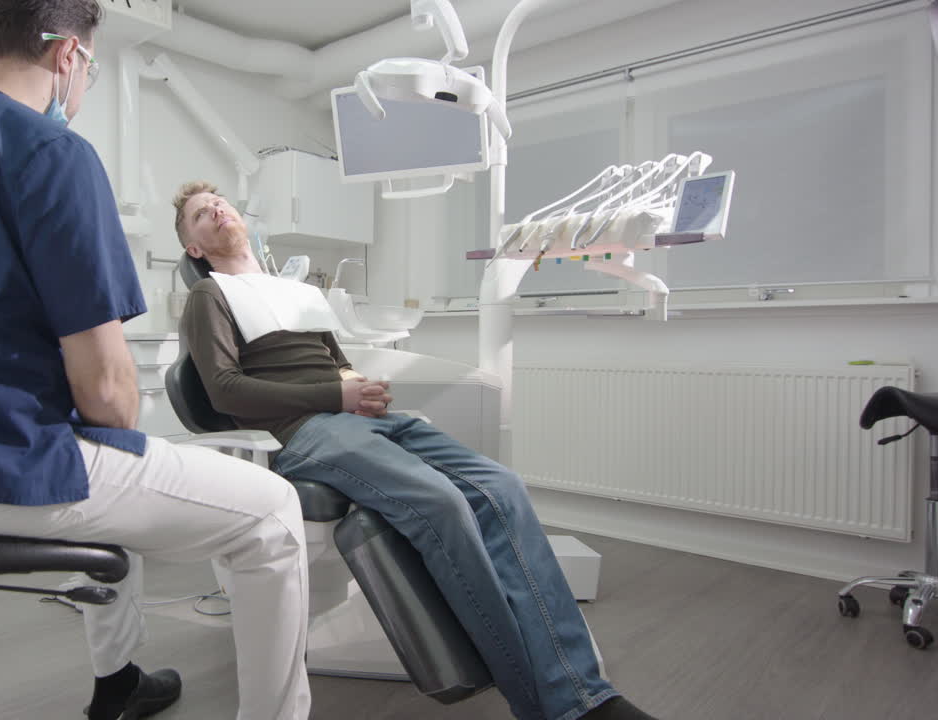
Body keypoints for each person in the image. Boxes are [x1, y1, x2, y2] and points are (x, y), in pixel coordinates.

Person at [0, 3, 312, 718]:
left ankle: (118, 683)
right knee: (271, 510)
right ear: (69, 55)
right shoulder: (50, 152)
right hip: (5, 458)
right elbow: (108, 394)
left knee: (119, 460)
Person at [173, 180, 659, 720]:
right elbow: (225, 390)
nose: (214, 209)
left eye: (218, 202)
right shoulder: (209, 295)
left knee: (501, 487)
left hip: (361, 418)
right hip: (309, 430)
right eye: (198, 215)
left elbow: (335, 359)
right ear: (193, 247)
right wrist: (337, 394)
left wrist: (360, 385)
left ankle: (583, 688)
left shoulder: (298, 292)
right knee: (440, 502)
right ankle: (564, 707)